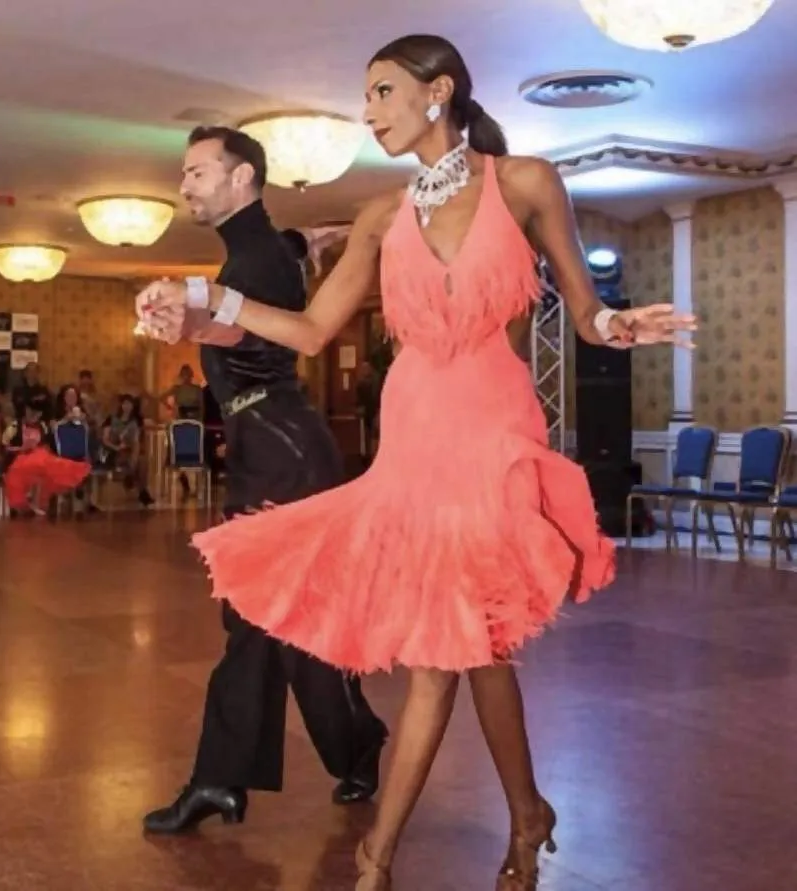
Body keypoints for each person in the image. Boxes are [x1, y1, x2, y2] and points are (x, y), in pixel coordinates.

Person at [136, 38, 697, 888]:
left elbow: (584, 311)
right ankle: (526, 814)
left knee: (445, 652)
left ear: (438, 92)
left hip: (490, 429)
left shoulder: (524, 183)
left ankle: (375, 861)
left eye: (381, 91)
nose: (367, 111)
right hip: (414, 441)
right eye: (364, 95)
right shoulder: (379, 216)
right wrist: (204, 298)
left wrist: (618, 326)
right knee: (472, 646)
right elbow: (311, 331)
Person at [138, 125, 388, 836]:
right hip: (266, 441)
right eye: (183, 173)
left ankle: (267, 764)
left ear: (241, 177)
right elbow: (271, 276)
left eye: (197, 172)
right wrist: (193, 312)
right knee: (257, 618)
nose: (184, 184)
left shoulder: (250, 259)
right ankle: (231, 774)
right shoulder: (258, 251)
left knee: (281, 614)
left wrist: (192, 314)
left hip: (281, 447)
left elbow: (250, 331)